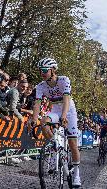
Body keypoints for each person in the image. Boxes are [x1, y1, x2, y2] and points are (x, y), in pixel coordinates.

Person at [29, 57, 81, 187]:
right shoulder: (40, 86)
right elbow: (37, 103)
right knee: (44, 122)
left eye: (45, 70)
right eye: (40, 70)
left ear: (52, 70)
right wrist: (34, 119)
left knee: (72, 143)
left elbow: (67, 99)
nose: (42, 73)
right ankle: (54, 150)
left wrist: (64, 116)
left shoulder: (64, 80)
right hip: (55, 109)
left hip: (69, 110)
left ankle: (77, 174)